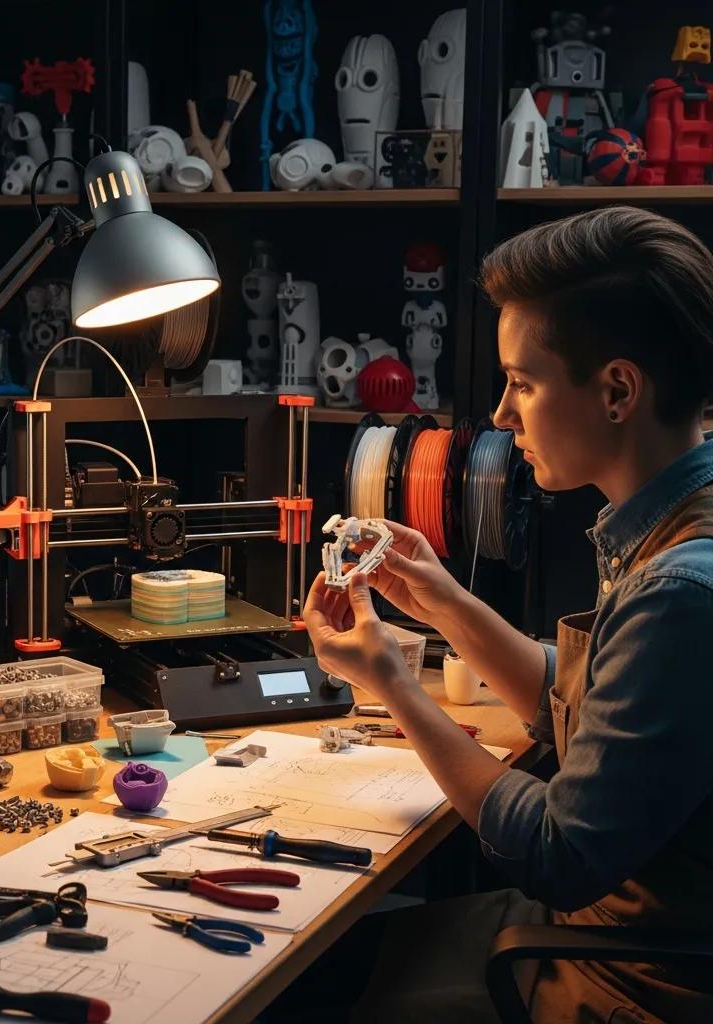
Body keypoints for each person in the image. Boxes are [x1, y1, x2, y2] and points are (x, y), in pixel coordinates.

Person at [302, 206, 713, 1023]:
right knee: (330, 954)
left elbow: (558, 853)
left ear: (618, 390)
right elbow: (600, 706)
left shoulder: (679, 590)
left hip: (625, 981)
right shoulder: (673, 524)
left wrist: (394, 686)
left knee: (309, 988)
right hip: (598, 936)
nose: (499, 415)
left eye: (522, 383)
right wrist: (446, 602)